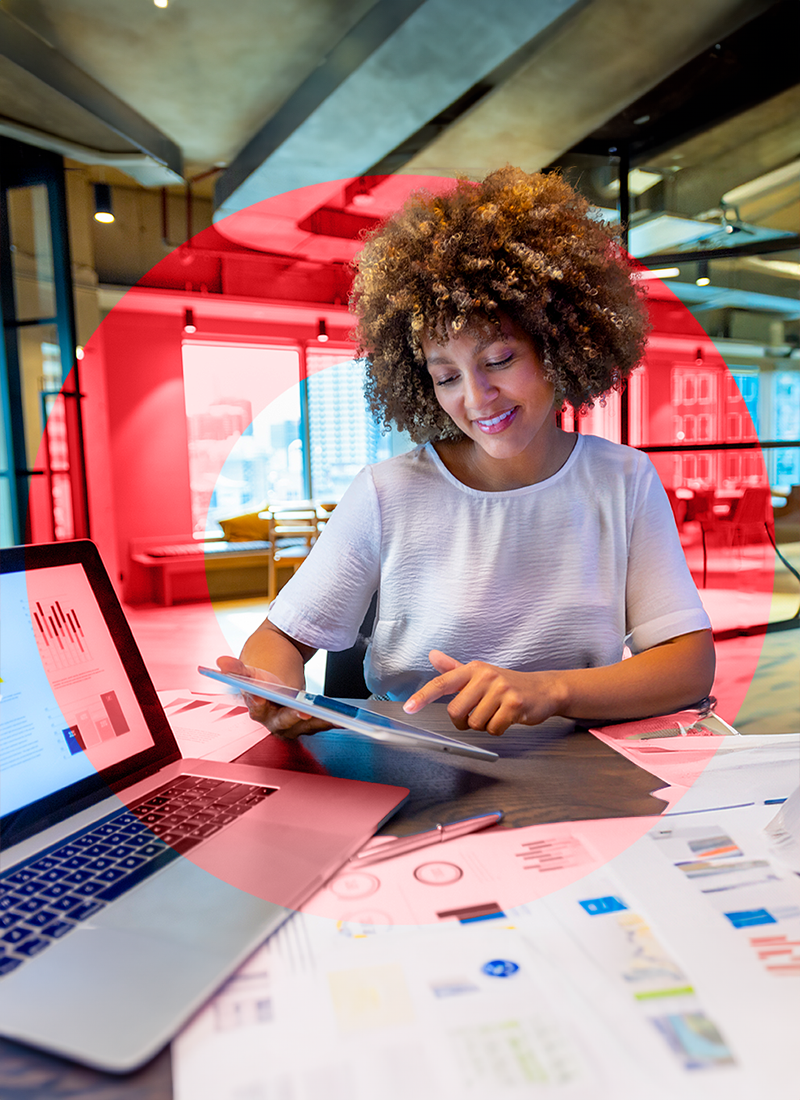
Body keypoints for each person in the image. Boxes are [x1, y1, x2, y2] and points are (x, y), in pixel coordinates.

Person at [217, 167, 714, 737]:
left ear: (560, 344)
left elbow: (689, 666)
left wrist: (550, 690)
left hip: (583, 766)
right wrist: (276, 688)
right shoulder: (387, 492)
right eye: (446, 375)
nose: (476, 399)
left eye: (500, 360)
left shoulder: (622, 480)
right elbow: (280, 638)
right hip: (410, 760)